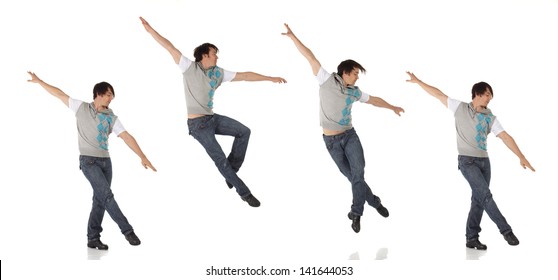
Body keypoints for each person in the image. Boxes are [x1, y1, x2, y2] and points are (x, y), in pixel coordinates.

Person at [139, 17, 286, 207]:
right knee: (220, 160)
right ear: (204, 55)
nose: (217, 57)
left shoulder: (218, 73)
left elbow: (245, 76)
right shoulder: (189, 67)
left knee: (244, 131)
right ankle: (244, 192)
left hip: (211, 118)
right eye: (214, 54)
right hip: (197, 125)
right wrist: (150, 29)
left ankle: (231, 172)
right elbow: (169, 46)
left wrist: (270, 78)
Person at [282, 24, 405, 233]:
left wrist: (392, 107)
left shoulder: (355, 92)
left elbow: (374, 100)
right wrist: (293, 37)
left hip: (350, 137)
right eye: (355, 73)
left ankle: (356, 214)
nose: (357, 77)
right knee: (353, 178)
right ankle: (374, 202)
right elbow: (310, 57)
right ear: (345, 72)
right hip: (331, 142)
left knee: (358, 173)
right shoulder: (326, 80)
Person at [27, 72, 157, 250]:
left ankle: (93, 238)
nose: (111, 98)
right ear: (99, 93)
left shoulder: (112, 117)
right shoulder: (80, 108)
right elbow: (59, 94)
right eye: (109, 94)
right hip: (88, 162)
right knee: (107, 196)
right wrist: (40, 81)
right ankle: (127, 231)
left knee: (99, 200)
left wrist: (142, 156)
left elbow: (126, 136)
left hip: (106, 163)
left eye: (112, 95)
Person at [405, 71, 535, 250]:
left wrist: (521, 156)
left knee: (478, 200)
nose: (490, 98)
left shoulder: (490, 118)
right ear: (478, 93)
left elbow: (505, 136)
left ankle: (471, 238)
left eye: (491, 95)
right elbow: (438, 94)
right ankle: (506, 231)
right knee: (485, 196)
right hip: (467, 162)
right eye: (487, 94)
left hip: (484, 163)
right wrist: (419, 81)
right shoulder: (459, 108)